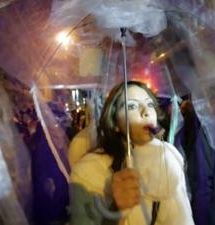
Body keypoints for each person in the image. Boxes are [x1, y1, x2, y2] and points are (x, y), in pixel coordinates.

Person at [70, 81, 194, 225]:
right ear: (115, 122)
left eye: (150, 104)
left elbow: (182, 217)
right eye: (132, 106)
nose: (145, 112)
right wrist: (115, 211)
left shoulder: (168, 155)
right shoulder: (88, 171)